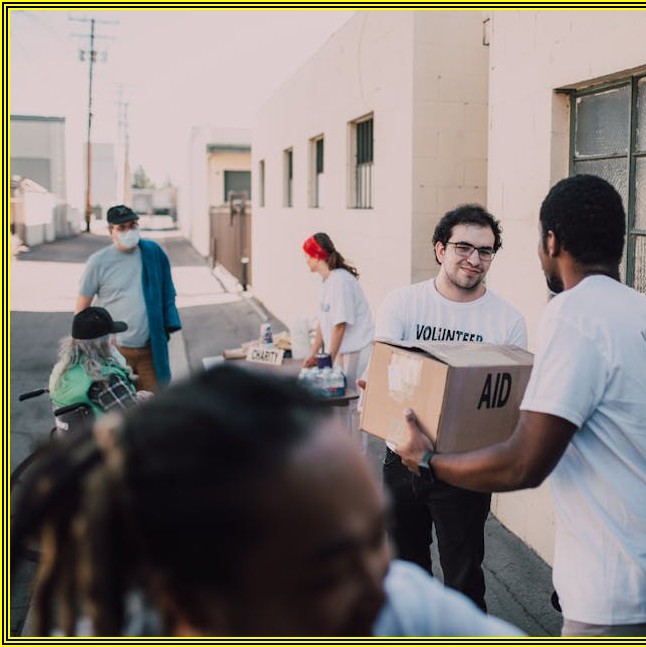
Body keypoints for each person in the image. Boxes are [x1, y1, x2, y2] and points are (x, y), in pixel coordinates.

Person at [394, 175, 646, 636]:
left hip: (621, 585)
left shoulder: (574, 312)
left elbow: (524, 463)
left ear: (552, 241)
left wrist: (428, 461)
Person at [11, 364, 524, 637]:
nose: (381, 579)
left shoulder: (395, 610)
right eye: (330, 569)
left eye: (376, 537)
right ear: (188, 596)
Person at [375, 204, 527, 611]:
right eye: (464, 247)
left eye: (486, 251)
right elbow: (386, 378)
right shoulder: (402, 304)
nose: (474, 259)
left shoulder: (507, 321)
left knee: (464, 579)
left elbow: (503, 406)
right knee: (405, 575)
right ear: (440, 249)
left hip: (466, 468)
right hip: (401, 458)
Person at [76, 204, 181, 392]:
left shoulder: (152, 253)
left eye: (132, 225)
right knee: (120, 403)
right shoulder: (98, 262)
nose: (129, 231)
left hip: (150, 348)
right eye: (122, 227)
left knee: (156, 401)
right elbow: (82, 310)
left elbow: (167, 291)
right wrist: (89, 347)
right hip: (114, 352)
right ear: (111, 231)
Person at [301, 232, 375, 450]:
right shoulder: (326, 280)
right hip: (342, 349)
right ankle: (342, 448)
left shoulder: (340, 281)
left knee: (351, 401)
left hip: (356, 348)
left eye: (307, 255)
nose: (305, 260)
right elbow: (324, 322)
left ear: (317, 256)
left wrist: (328, 363)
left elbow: (340, 324)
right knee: (339, 400)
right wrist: (314, 354)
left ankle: (357, 452)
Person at [49, 306, 151, 414]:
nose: (115, 342)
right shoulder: (105, 380)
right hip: (105, 425)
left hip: (75, 425)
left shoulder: (63, 371)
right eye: (112, 337)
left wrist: (135, 398)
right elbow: (135, 416)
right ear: (104, 344)